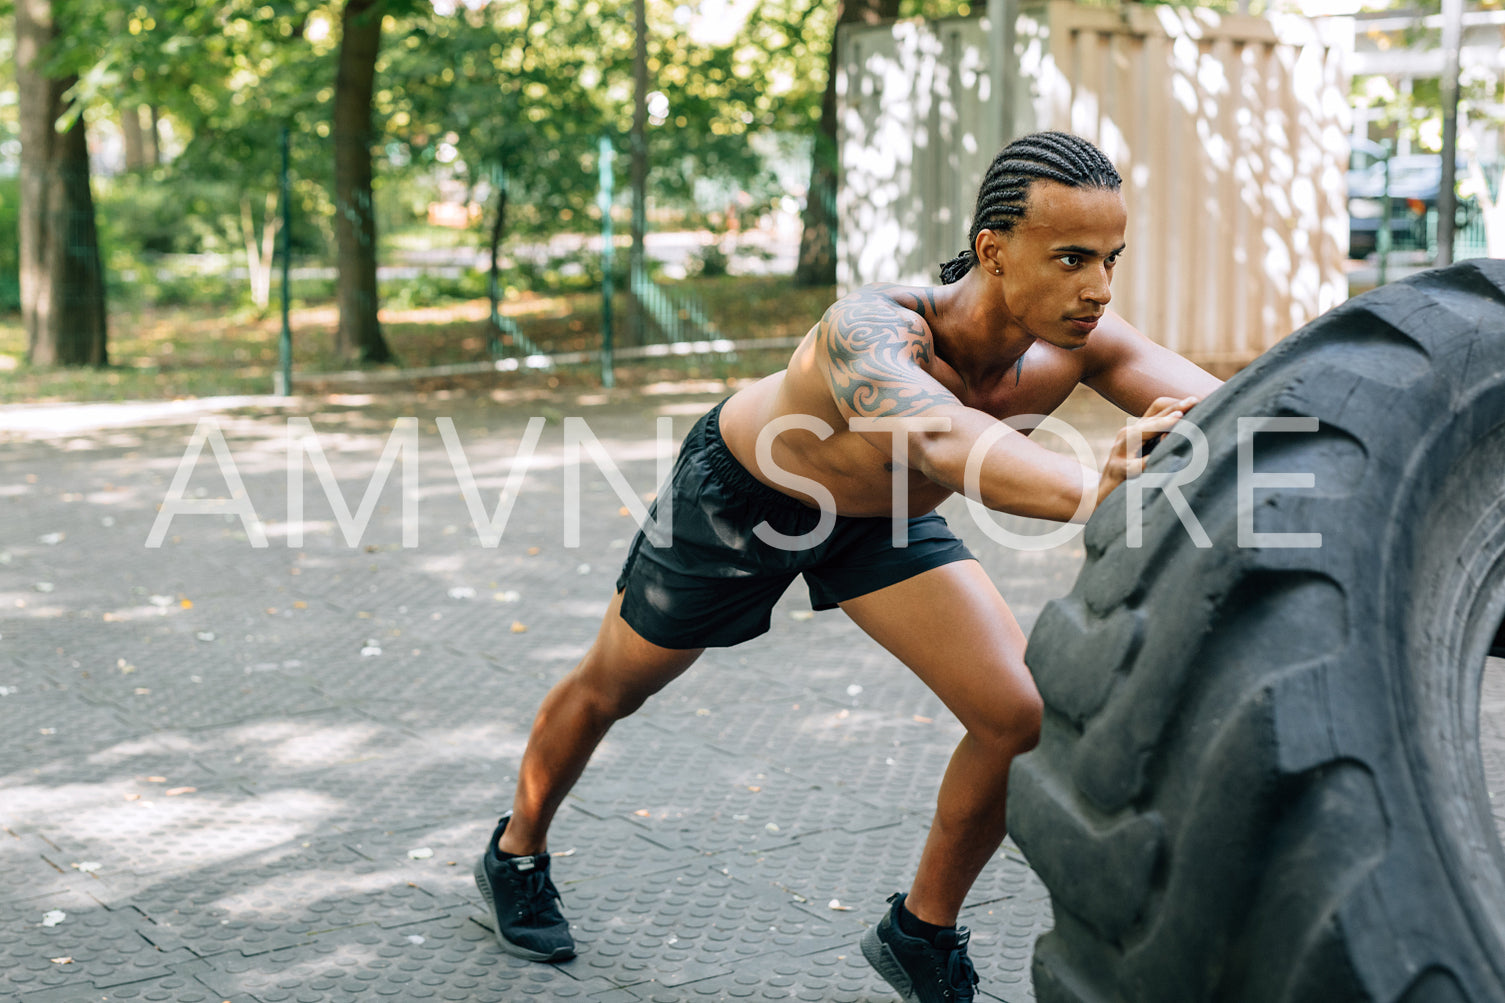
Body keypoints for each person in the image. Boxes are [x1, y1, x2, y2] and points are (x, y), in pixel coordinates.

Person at [473, 131, 1223, 1003]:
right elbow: (943, 438)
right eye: (1069, 258)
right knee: (614, 684)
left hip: (882, 525)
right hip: (744, 499)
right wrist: (1092, 487)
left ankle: (920, 931)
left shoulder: (1084, 337)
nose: (1096, 286)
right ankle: (515, 850)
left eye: (1108, 258)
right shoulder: (871, 329)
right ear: (992, 250)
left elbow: (1241, 404)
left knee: (1016, 715)